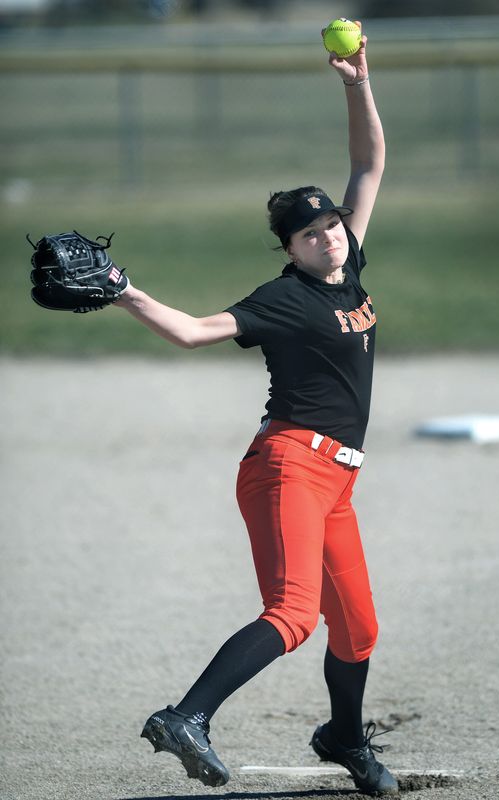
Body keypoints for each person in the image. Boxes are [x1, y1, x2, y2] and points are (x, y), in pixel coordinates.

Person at [115, 21, 397, 797]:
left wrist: (356, 81)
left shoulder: (348, 267)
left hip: (338, 479)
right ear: (290, 249)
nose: (330, 237)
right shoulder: (284, 301)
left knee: (360, 629)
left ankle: (342, 736)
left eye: (333, 224)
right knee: (296, 615)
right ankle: (186, 716)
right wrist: (124, 290)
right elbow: (192, 332)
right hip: (289, 467)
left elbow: (370, 162)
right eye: (311, 234)